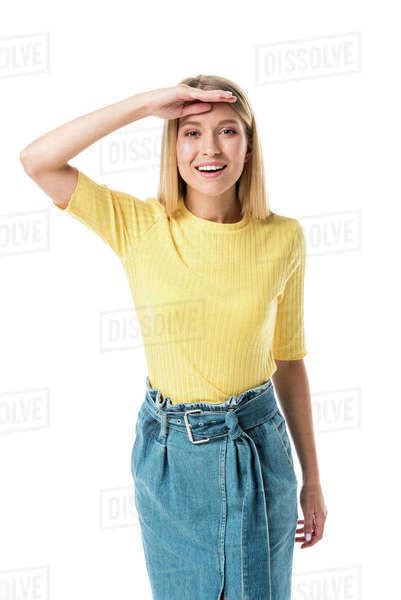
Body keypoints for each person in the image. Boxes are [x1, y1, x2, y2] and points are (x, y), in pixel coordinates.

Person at [20, 74, 327, 600]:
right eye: (190, 132)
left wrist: (313, 479)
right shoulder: (141, 226)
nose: (209, 148)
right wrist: (145, 104)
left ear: (249, 148)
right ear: (173, 144)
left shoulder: (283, 238)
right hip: (170, 460)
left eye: (227, 131)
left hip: (257, 449)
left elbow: (290, 360)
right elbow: (38, 160)